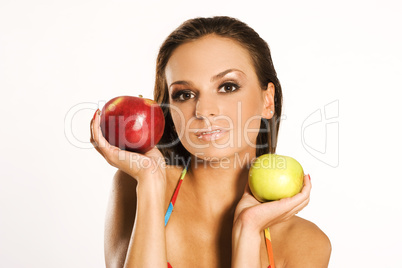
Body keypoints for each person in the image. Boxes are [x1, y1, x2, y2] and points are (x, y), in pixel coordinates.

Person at [90, 16, 331, 268]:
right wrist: (150, 183)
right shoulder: (137, 186)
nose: (204, 110)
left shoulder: (307, 243)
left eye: (227, 87)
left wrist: (247, 230)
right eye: (185, 94)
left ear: (267, 101)